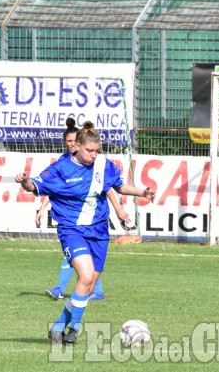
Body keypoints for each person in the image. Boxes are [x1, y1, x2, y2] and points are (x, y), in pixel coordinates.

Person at [16, 121, 155, 344]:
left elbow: (118, 186)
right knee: (86, 275)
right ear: (77, 147)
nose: (93, 155)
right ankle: (74, 329)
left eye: (97, 150)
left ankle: (58, 328)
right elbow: (35, 186)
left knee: (87, 286)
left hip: (99, 231)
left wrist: (142, 192)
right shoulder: (61, 169)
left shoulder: (102, 165)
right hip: (72, 230)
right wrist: (24, 182)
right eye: (89, 150)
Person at [40, 118, 131, 302]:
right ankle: (68, 290)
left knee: (86, 257)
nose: (72, 144)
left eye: (75, 141)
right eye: (69, 142)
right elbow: (55, 189)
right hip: (75, 222)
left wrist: (118, 209)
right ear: (66, 143)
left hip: (92, 220)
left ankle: (85, 292)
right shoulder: (64, 162)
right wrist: (42, 208)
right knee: (80, 256)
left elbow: (105, 188)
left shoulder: (94, 163)